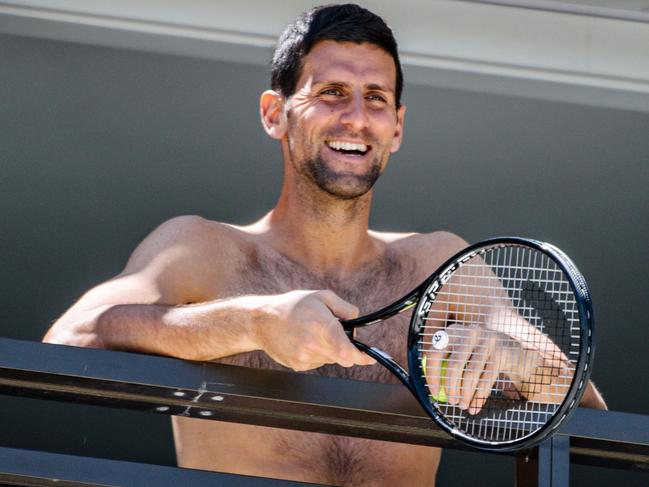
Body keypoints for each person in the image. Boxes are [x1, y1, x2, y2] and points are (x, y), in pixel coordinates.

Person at [44, 4, 606, 486]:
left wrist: (513, 359)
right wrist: (253, 323)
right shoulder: (202, 248)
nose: (356, 118)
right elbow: (66, 344)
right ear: (275, 114)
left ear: (398, 128)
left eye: (376, 99)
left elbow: (588, 406)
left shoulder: (437, 263)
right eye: (332, 93)